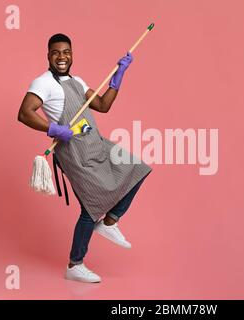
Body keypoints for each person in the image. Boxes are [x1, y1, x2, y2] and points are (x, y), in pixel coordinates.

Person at [17, 33, 152, 283]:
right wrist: (53, 129)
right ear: (48, 55)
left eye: (66, 52)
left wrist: (117, 79)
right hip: (74, 153)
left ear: (72, 54)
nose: (61, 57)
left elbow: (102, 105)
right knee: (91, 208)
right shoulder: (42, 83)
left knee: (138, 168)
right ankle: (75, 265)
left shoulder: (77, 81)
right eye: (56, 52)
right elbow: (24, 113)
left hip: (95, 144)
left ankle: (110, 223)